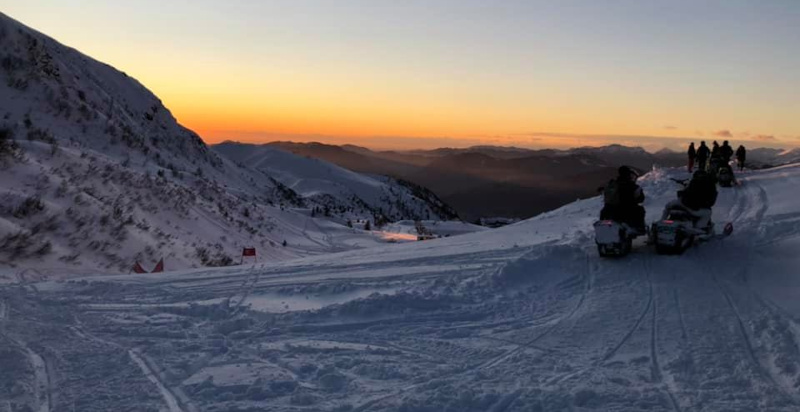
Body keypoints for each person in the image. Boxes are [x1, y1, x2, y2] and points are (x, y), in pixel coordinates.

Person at [600, 166, 646, 233]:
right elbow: (641, 199)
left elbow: (607, 196)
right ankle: (639, 229)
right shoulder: (633, 186)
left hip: (611, 211)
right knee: (640, 210)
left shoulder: (613, 184)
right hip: (627, 211)